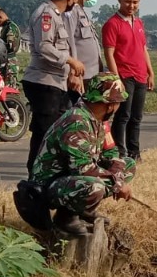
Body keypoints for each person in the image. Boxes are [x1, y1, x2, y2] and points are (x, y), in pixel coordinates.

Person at [31, 73, 135, 235]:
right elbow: (82, 169)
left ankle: (84, 210)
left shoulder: (99, 120)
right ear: (110, 105)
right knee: (94, 186)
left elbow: (111, 152)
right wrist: (118, 184)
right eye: (118, 103)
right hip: (50, 185)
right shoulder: (76, 122)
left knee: (128, 165)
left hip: (74, 176)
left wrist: (117, 174)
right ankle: (66, 217)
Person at [22, 0, 86, 171]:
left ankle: (49, 171)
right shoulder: (47, 15)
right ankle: (35, 175)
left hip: (54, 82)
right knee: (44, 132)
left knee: (55, 131)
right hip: (43, 82)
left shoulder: (57, 15)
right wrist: (70, 61)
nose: (76, 1)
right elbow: (44, 47)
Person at [103, 0, 154, 161]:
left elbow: (143, 48)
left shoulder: (139, 22)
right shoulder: (112, 24)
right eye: (127, 1)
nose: (131, 6)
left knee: (136, 117)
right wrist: (115, 77)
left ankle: (134, 152)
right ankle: (120, 152)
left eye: (135, 2)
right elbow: (109, 52)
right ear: (119, 0)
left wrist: (150, 72)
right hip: (124, 75)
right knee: (123, 116)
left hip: (140, 74)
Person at [67, 0, 105, 104]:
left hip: (91, 75)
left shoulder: (82, 12)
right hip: (80, 76)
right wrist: (73, 73)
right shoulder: (72, 12)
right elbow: (68, 43)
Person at [0, 6, 23, 85]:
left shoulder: (10, 27)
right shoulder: (5, 27)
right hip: (4, 61)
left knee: (9, 87)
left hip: (9, 62)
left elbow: (10, 46)